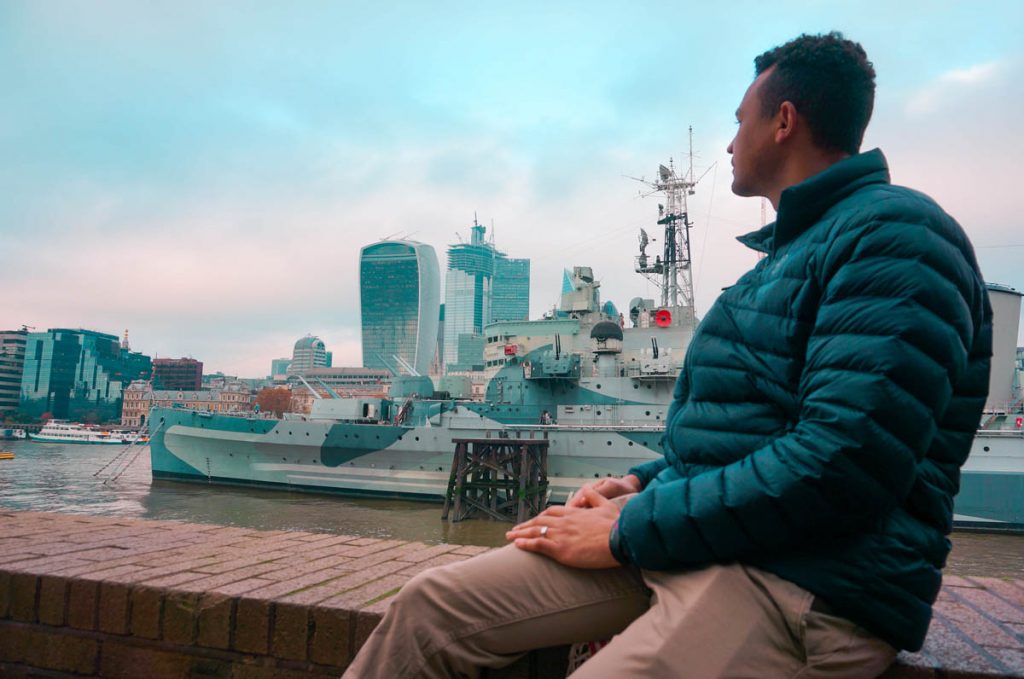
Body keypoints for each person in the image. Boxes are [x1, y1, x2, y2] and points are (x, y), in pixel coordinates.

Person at [343, 32, 992, 678]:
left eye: (740, 122)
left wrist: (628, 528)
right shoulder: (776, 266)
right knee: (431, 605)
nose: (730, 142)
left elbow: (842, 463)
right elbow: (739, 441)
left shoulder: (898, 237)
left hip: (805, 580)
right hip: (697, 537)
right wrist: (639, 483)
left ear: (784, 123)